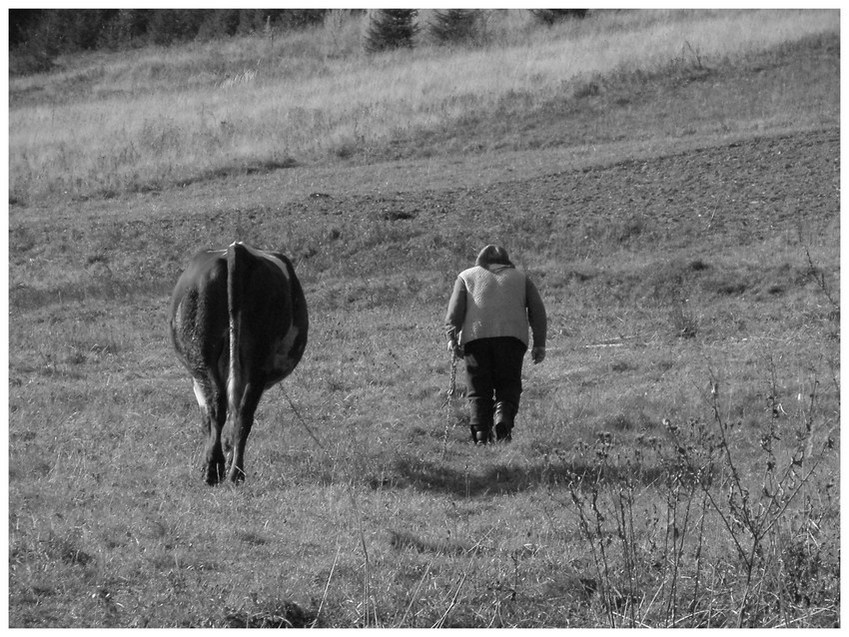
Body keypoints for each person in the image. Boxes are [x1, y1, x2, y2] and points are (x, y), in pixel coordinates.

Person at [444, 245, 547, 444]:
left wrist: (452, 338)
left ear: (480, 260)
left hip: (476, 338)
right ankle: (503, 416)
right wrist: (539, 344)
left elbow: (455, 310)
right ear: (507, 260)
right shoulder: (520, 278)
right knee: (508, 382)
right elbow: (537, 312)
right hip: (512, 339)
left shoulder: (466, 276)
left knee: (478, 387)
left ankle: (481, 435)